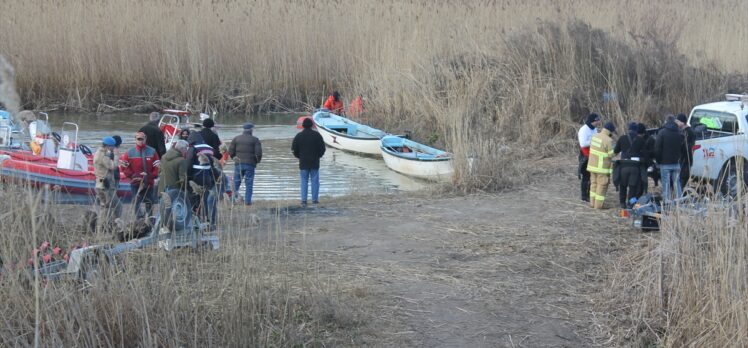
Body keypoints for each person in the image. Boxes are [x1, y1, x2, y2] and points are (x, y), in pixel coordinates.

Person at [121, 132, 160, 219]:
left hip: (149, 182)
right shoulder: (129, 152)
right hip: (135, 182)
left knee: (149, 202)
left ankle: (150, 219)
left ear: (145, 139)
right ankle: (139, 220)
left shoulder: (152, 151)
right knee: (136, 202)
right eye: (139, 139)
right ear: (135, 140)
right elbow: (124, 167)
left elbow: (157, 167)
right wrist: (133, 175)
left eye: (142, 139)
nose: (141, 141)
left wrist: (150, 175)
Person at [292, 118, 326, 206]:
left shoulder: (298, 136)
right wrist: (319, 156)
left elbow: (294, 149)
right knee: (315, 181)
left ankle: (304, 200)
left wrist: (299, 156)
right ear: (312, 125)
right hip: (315, 162)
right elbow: (323, 149)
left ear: (303, 125)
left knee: (304, 181)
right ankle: (314, 200)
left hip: (303, 162)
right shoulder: (317, 135)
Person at [614, 122, 646, 208]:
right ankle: (630, 204)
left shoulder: (622, 138)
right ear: (636, 130)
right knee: (633, 187)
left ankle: (622, 203)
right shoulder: (641, 140)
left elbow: (615, 151)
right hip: (635, 167)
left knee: (623, 186)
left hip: (623, 167)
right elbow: (645, 155)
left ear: (628, 129)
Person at [229, 123, 262, 205]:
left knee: (236, 183)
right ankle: (247, 202)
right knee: (249, 183)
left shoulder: (236, 139)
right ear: (251, 129)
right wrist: (256, 161)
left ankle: (233, 201)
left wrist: (234, 158)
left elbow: (231, 151)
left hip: (238, 164)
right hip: (250, 164)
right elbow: (258, 153)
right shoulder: (255, 140)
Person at [93, 137, 122, 230]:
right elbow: (113, 166)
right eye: (113, 147)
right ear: (109, 146)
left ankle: (101, 229)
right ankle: (114, 226)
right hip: (105, 186)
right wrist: (117, 156)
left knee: (104, 207)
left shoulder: (98, 153)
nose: (114, 149)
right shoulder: (103, 156)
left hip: (99, 185)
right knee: (116, 206)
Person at [655, 115, 685, 202]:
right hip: (676, 163)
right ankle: (679, 201)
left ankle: (667, 202)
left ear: (666, 122)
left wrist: (659, 160)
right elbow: (682, 149)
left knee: (666, 183)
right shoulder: (680, 133)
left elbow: (657, 148)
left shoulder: (662, 132)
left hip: (665, 164)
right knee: (677, 183)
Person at [587, 121, 616, 209]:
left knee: (593, 185)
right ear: (610, 131)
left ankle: (592, 203)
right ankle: (598, 206)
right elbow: (612, 154)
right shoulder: (608, 140)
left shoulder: (594, 136)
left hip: (592, 166)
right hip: (602, 169)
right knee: (601, 186)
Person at [577, 113, 601, 202]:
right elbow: (583, 143)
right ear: (592, 121)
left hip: (593, 154)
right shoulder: (583, 130)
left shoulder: (594, 129)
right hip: (585, 155)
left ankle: (590, 194)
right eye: (597, 121)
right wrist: (594, 141)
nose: (598, 123)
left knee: (593, 176)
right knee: (586, 176)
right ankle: (584, 196)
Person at [675, 113, 695, 189]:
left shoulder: (690, 132)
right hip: (681, 160)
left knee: (682, 179)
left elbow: (688, 147)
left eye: (677, 121)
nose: (676, 123)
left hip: (686, 160)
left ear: (682, 122)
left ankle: (681, 196)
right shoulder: (680, 131)